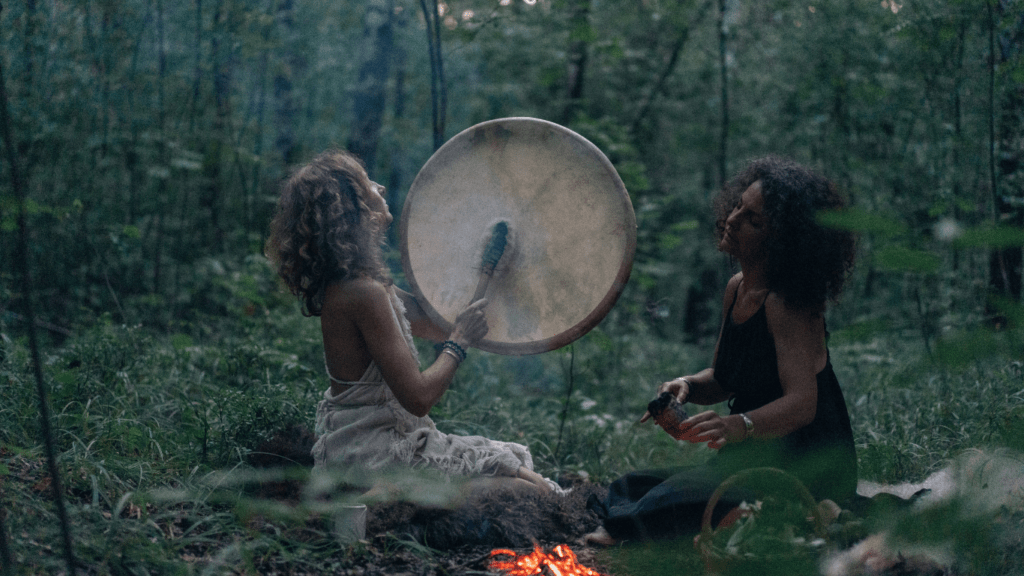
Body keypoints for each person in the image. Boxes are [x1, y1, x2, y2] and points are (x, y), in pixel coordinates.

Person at [588, 156, 858, 543]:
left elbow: (802, 403)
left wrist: (737, 425)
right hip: (752, 455)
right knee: (631, 487)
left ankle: (819, 509)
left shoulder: (787, 304)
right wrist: (687, 386)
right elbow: (725, 379)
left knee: (667, 503)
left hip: (805, 463)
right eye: (738, 207)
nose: (733, 219)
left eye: (753, 220)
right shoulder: (737, 288)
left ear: (782, 241)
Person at [264, 149, 553, 496]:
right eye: (367, 183)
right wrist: (459, 343)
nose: (380, 187)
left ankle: (386, 501)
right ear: (351, 206)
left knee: (518, 470)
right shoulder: (360, 292)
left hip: (380, 444)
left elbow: (439, 324)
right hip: (375, 454)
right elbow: (418, 398)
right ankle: (376, 505)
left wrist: (487, 269)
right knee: (528, 491)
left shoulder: (366, 286)